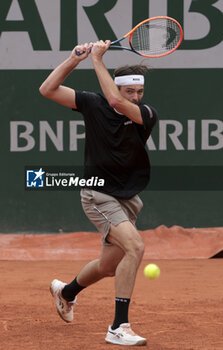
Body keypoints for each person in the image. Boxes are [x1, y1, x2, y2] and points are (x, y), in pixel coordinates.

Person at [39, 40, 157, 346]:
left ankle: (66, 292)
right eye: (129, 90)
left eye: (139, 91)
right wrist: (73, 60)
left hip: (128, 198)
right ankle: (119, 326)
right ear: (116, 87)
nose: (135, 96)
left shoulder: (145, 114)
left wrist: (96, 59)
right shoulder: (93, 103)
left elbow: (117, 104)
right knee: (135, 248)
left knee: (107, 266)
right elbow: (47, 90)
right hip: (98, 194)